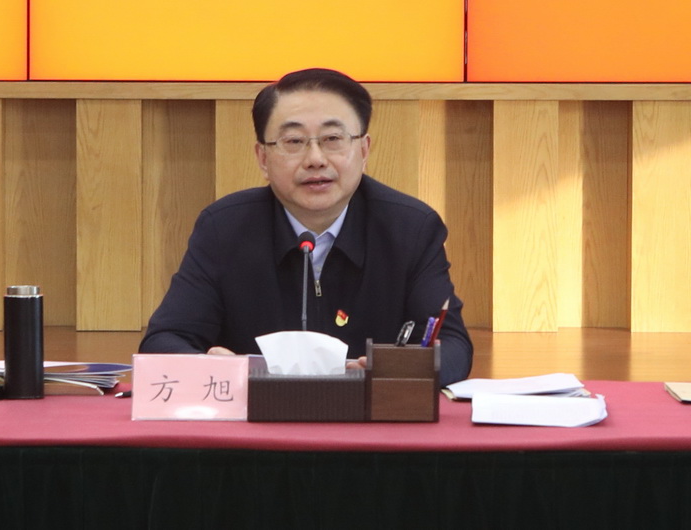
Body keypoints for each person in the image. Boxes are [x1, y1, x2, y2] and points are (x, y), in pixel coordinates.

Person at [139, 68, 473, 385]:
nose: (315, 159)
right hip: (255, 418)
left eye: (332, 138)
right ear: (263, 158)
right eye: (294, 141)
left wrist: (395, 372)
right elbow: (164, 340)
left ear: (363, 149)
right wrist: (215, 368)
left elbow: (453, 347)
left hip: (373, 417)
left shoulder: (411, 229)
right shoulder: (224, 228)